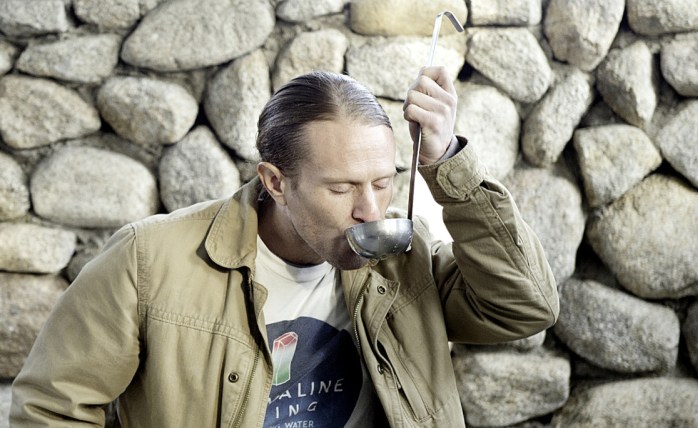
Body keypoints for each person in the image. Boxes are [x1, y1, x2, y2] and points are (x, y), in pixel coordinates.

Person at [10, 67, 559, 427]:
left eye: (383, 180)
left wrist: (449, 168)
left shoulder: (404, 259)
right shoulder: (148, 262)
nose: (370, 209)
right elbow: (50, 409)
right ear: (275, 182)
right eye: (341, 188)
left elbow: (526, 306)